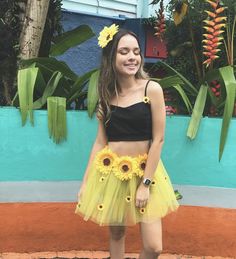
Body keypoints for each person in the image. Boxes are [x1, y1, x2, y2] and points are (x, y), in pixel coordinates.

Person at [75, 24, 179, 259]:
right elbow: (100, 142)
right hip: (113, 173)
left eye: (136, 51)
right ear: (111, 57)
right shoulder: (105, 95)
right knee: (117, 234)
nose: (132, 57)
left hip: (145, 173)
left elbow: (159, 139)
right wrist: (85, 182)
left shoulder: (151, 89)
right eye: (124, 52)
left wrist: (145, 183)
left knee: (154, 247)